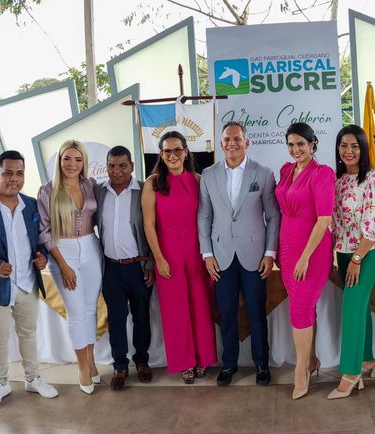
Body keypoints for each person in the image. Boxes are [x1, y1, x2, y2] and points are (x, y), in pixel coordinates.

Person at [0, 150, 58, 409]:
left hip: (27, 283)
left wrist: (43, 256)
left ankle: (33, 378)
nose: (14, 179)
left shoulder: (31, 205)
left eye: (19, 173)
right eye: (8, 173)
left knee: (28, 334)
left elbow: (40, 240)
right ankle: (0, 383)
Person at [198, 121, 280, 387]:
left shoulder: (264, 173)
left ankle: (261, 364)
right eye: (227, 139)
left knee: (256, 312)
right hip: (220, 255)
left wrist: (269, 253)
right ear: (221, 143)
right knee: (226, 312)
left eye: (237, 139)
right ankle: (229, 364)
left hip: (255, 255)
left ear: (247, 142)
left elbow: (273, 215)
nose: (231, 143)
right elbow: (204, 215)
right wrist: (207, 254)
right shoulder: (208, 174)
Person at [143, 132, 217, 384]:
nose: (172, 155)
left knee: (201, 306)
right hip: (168, 255)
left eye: (177, 150)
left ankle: (203, 357)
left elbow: (208, 219)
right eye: (167, 151)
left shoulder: (199, 180)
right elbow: (148, 225)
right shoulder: (152, 184)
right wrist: (158, 258)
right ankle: (185, 362)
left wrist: (208, 255)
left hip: (196, 253)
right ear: (161, 154)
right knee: (176, 311)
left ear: (186, 152)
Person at [328, 125, 375, 400]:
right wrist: (337, 254)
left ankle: (351, 373)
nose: (349, 151)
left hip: (367, 251)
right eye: (344, 145)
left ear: (363, 149)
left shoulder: (374, 180)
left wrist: (357, 257)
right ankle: (366, 360)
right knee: (360, 307)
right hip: (343, 250)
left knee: (351, 307)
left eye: (354, 146)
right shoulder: (338, 180)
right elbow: (335, 222)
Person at [37, 140, 103, 395]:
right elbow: (45, 231)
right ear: (59, 160)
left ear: (83, 162)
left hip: (91, 247)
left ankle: (91, 360)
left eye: (77, 159)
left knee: (90, 309)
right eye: (67, 158)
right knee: (76, 312)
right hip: (62, 251)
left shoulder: (90, 185)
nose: (72, 164)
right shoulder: (47, 191)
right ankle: (82, 367)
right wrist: (63, 266)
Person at [275, 122, 335, 400]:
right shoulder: (286, 170)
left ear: (312, 144)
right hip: (287, 247)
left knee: (300, 308)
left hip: (311, 251)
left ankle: (301, 370)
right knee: (303, 306)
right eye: (291, 144)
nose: (295, 149)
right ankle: (311, 360)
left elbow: (324, 219)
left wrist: (305, 257)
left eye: (301, 144)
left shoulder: (322, 173)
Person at [94, 146, 155, 390]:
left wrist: (150, 262)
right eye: (111, 166)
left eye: (122, 166)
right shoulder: (99, 191)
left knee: (141, 316)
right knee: (116, 319)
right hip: (111, 268)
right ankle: (120, 366)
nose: (116, 171)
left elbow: (154, 228)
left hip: (138, 267)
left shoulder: (144, 190)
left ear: (132, 166)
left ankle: (142, 361)